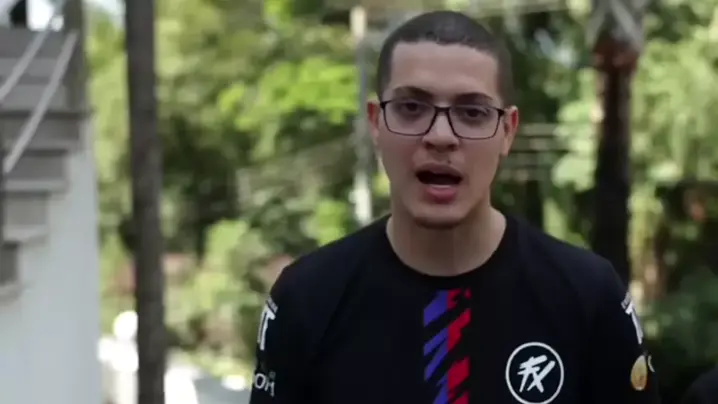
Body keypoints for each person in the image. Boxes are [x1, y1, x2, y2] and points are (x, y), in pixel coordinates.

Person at [249, 10, 660, 404]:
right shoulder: (306, 298)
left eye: (472, 112)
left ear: (507, 131)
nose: (441, 136)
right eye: (412, 108)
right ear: (375, 123)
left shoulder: (589, 296)